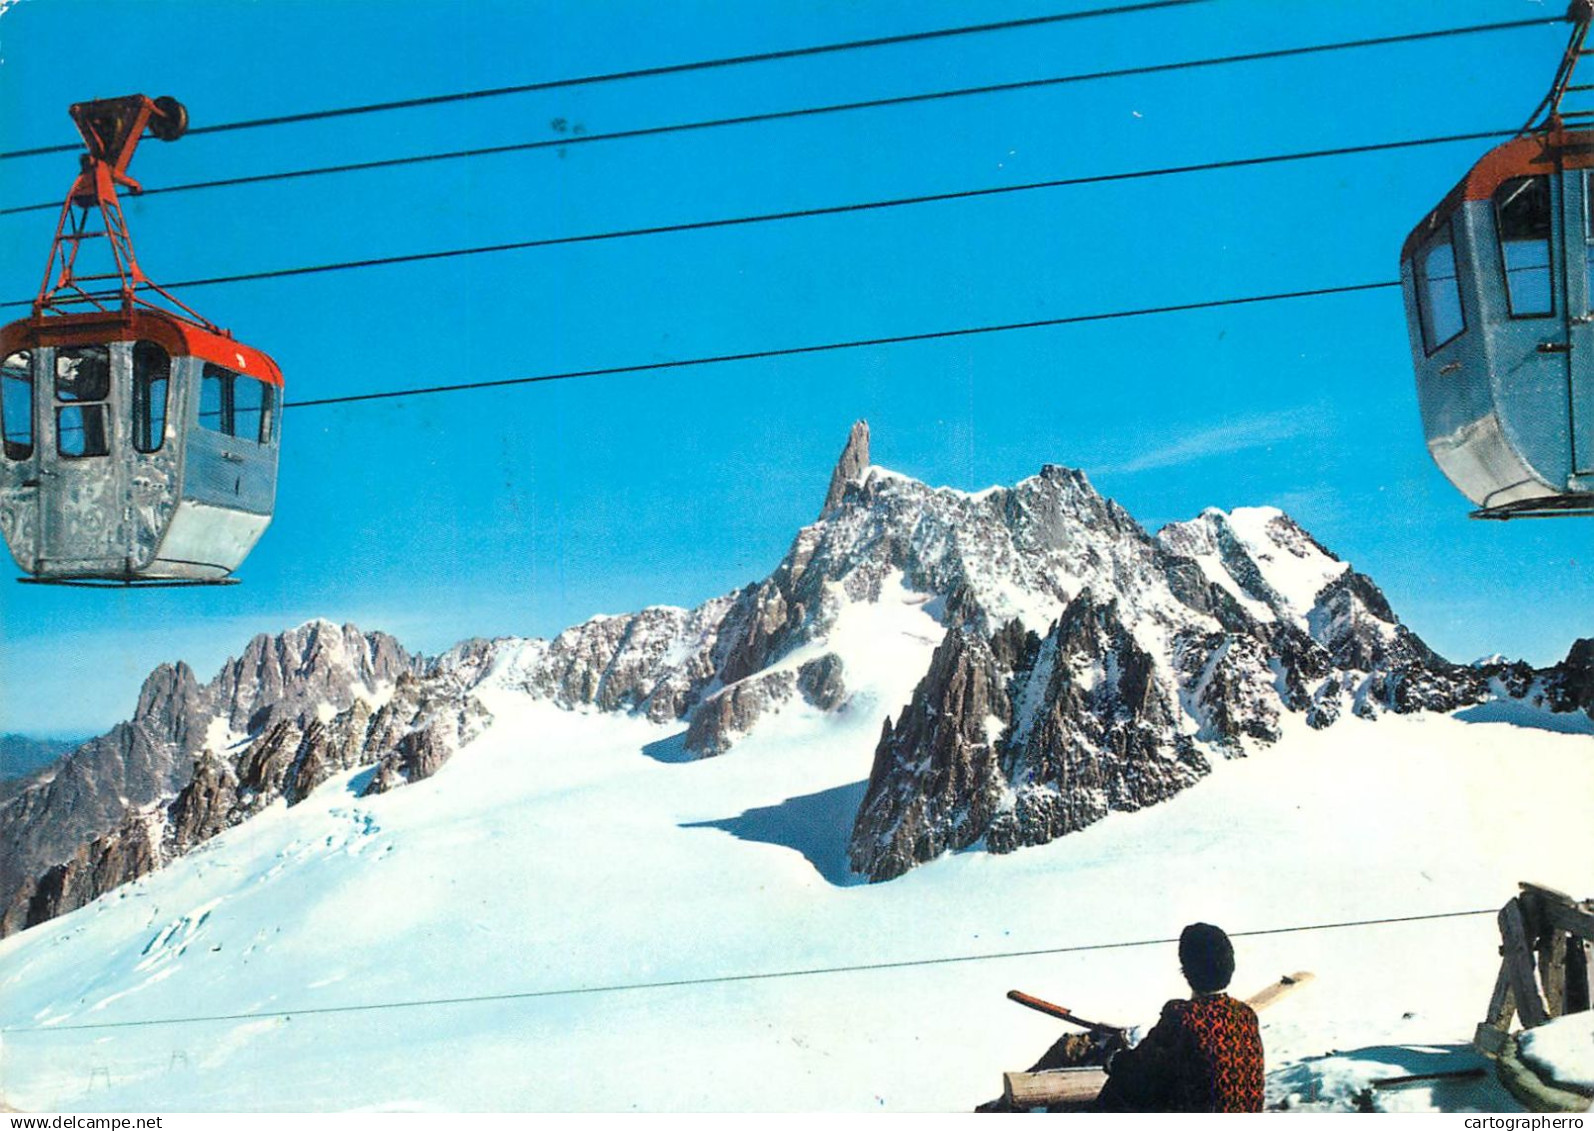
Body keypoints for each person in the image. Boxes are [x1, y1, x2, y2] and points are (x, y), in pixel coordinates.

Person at [1092, 923, 1265, 1112]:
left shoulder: (1183, 1016)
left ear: (1186, 970)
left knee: (1118, 1090)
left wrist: (1113, 1057)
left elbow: (1136, 1070)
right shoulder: (1246, 1015)